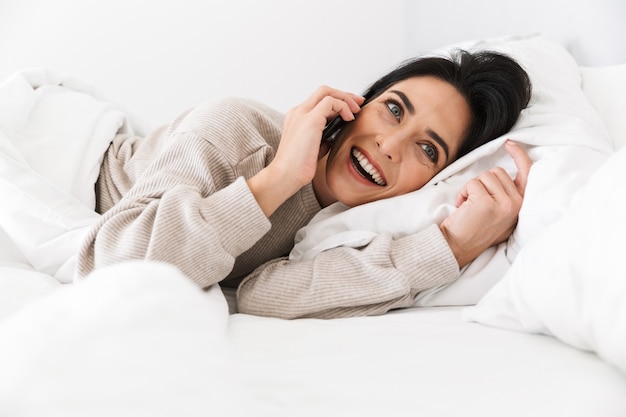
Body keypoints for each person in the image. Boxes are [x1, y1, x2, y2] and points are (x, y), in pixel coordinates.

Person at [76, 50, 532, 319]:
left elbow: (261, 295)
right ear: (358, 102)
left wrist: (452, 246)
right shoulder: (239, 130)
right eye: (393, 109)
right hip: (79, 162)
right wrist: (277, 180)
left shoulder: (377, 223)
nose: (390, 144)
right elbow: (110, 264)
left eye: (427, 150)